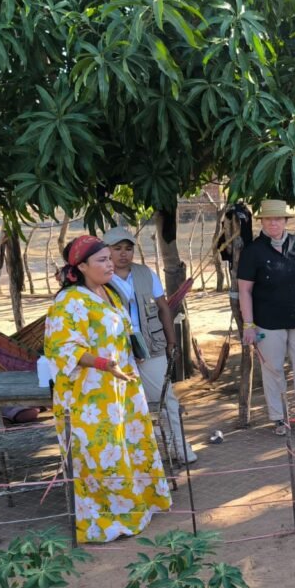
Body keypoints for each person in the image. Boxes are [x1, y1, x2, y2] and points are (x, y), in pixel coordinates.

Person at [44, 235, 171, 543]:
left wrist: (133, 352)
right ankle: (106, 522)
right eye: (101, 260)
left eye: (109, 258)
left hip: (121, 390)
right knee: (101, 454)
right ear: (82, 266)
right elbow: (60, 348)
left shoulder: (109, 292)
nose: (110, 263)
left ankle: (137, 508)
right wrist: (103, 364)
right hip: (88, 395)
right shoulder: (69, 301)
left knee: (127, 446)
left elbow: (125, 330)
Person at [102, 226, 196, 464]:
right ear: (106, 251)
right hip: (117, 350)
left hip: (151, 344)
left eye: (128, 248)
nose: (123, 254)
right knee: (124, 404)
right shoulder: (99, 277)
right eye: (117, 249)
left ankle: (180, 447)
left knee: (165, 398)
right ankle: (142, 454)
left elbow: (164, 307)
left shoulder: (145, 273)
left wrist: (171, 341)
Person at [238, 200, 295, 435]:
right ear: (262, 222)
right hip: (268, 322)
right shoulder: (253, 251)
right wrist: (248, 325)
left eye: (278, 219)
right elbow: (245, 291)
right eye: (268, 219)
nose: (273, 223)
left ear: (285, 221)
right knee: (274, 370)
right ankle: (280, 418)